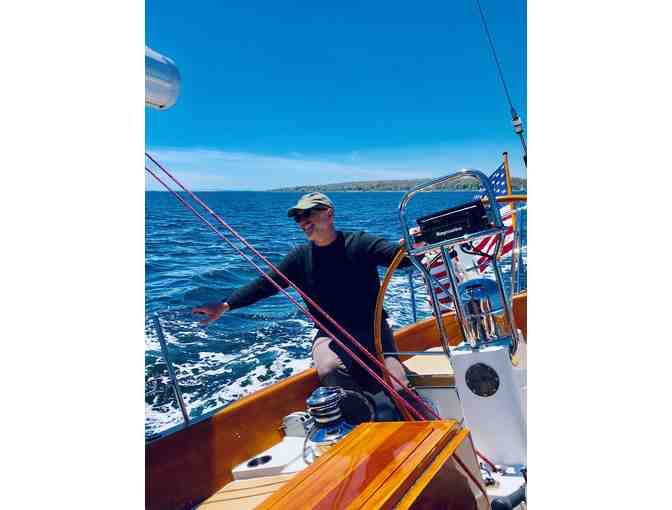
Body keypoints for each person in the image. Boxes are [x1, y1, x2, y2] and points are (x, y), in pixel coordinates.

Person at [193, 192, 412, 394]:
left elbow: (398, 257)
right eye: (298, 218)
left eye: (308, 214)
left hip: (374, 330)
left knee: (399, 385)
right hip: (330, 335)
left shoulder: (359, 243)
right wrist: (226, 305)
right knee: (330, 370)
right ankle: (363, 413)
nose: (302, 222)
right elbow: (265, 284)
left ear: (329, 213)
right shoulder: (299, 258)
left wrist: (412, 247)